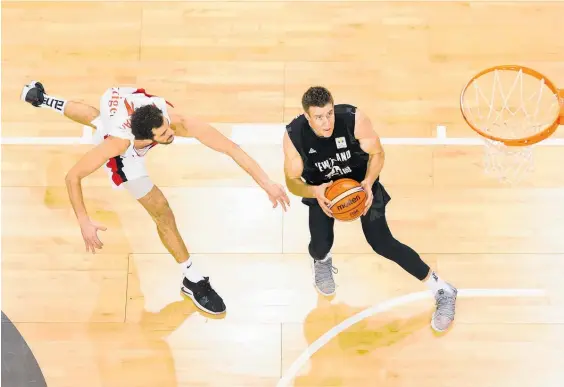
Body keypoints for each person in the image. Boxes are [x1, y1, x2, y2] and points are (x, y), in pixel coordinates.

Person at [20, 80, 290, 316]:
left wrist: (266, 183)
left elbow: (230, 148)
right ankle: (193, 279)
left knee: (98, 119)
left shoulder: (172, 120)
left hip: (117, 97)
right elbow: (72, 177)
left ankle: (41, 98)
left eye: (167, 128)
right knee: (162, 212)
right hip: (120, 138)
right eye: (163, 135)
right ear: (144, 138)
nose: (171, 134)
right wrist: (83, 220)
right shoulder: (119, 144)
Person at [282, 86, 457, 332]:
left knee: (382, 242)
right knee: (320, 245)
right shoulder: (295, 136)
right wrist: (314, 192)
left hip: (361, 186)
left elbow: (377, 153)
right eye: (319, 117)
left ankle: (442, 289)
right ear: (307, 117)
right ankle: (320, 261)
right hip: (323, 191)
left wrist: (368, 182)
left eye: (329, 113)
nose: (326, 122)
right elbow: (292, 182)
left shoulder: (354, 120)